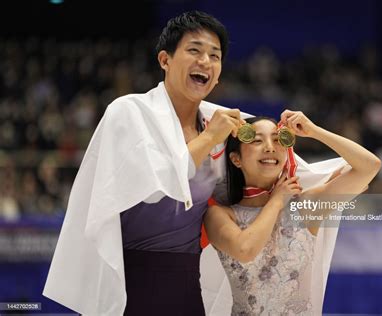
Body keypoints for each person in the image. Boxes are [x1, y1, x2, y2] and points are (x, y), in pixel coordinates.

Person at [43, 11, 246, 315]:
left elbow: (284, 173)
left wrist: (313, 135)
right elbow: (155, 188)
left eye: (214, 56)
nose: (205, 61)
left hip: (188, 283)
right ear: (165, 60)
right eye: (194, 50)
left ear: (218, 74)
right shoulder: (128, 113)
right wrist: (209, 138)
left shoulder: (219, 123)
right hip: (132, 282)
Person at [203, 112, 381, 315]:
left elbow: (370, 167)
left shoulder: (304, 207)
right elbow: (246, 250)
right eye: (257, 140)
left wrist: (314, 131)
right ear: (236, 159)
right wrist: (277, 200)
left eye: (278, 140)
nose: (270, 147)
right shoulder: (218, 215)